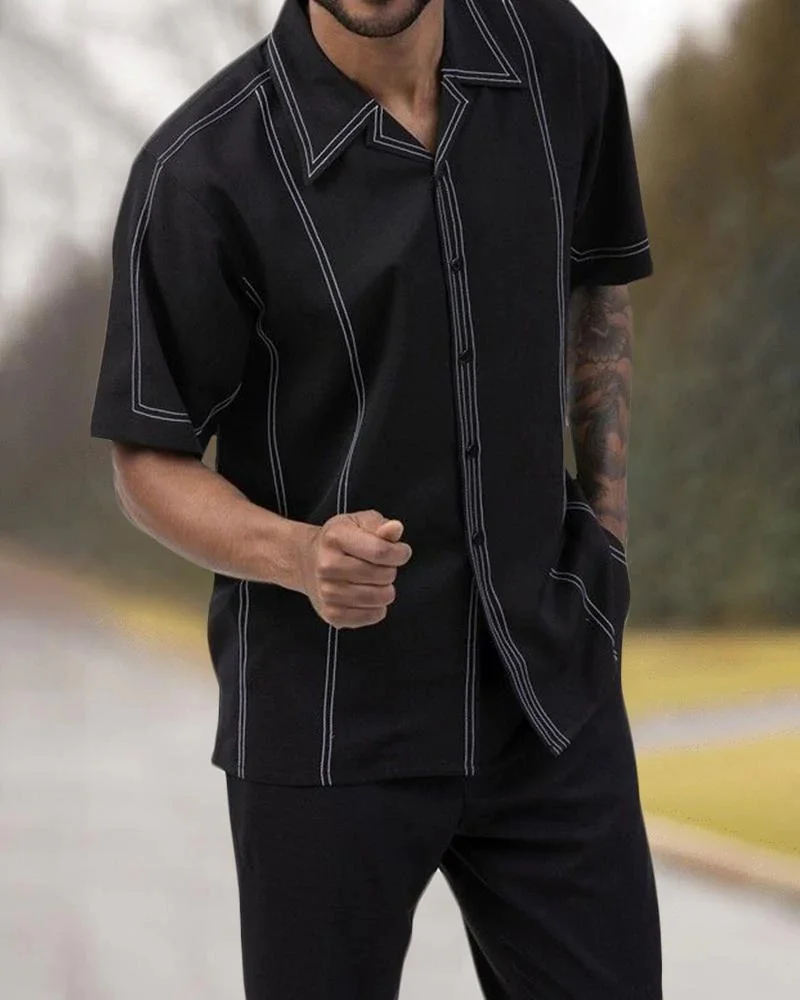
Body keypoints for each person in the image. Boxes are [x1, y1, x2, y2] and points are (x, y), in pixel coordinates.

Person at [90, 0, 662, 996]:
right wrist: (297, 554)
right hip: (324, 728)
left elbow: (597, 288)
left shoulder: (559, 62)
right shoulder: (200, 170)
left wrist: (603, 542)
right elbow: (147, 458)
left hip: (546, 693)